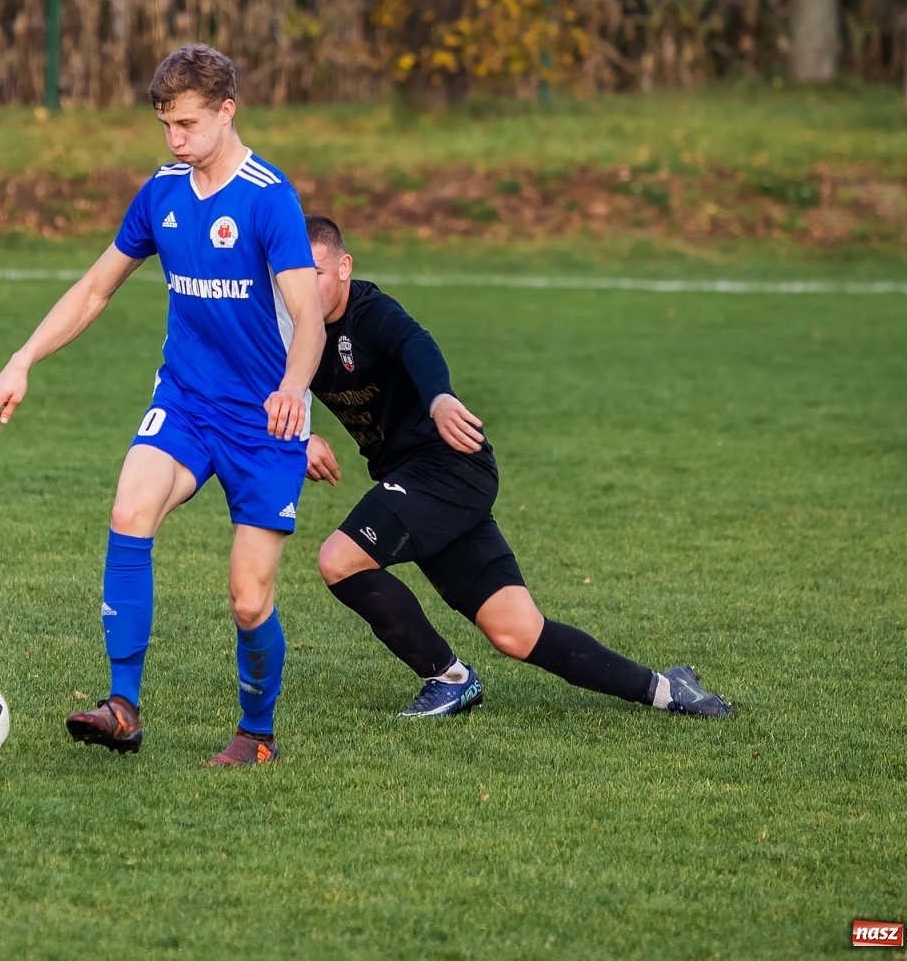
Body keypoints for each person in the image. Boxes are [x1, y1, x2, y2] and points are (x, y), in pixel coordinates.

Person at [0, 44, 325, 766]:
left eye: (189, 125)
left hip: (265, 420)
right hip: (187, 400)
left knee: (248, 599)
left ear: (227, 112)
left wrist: (294, 388)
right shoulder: (163, 194)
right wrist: (22, 359)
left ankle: (256, 733)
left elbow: (310, 314)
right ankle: (122, 707)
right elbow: (93, 290)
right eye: (166, 125)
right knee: (128, 509)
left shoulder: (269, 198)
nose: (176, 141)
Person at [302, 215, 731, 718]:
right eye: (293, 273)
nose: (305, 287)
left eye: (317, 272)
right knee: (517, 631)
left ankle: (449, 678)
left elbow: (414, 343)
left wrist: (439, 398)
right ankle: (667, 689)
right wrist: (299, 437)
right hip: (419, 482)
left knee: (340, 558)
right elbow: (257, 386)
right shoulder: (291, 323)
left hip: (447, 465)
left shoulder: (370, 312)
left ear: (344, 267)